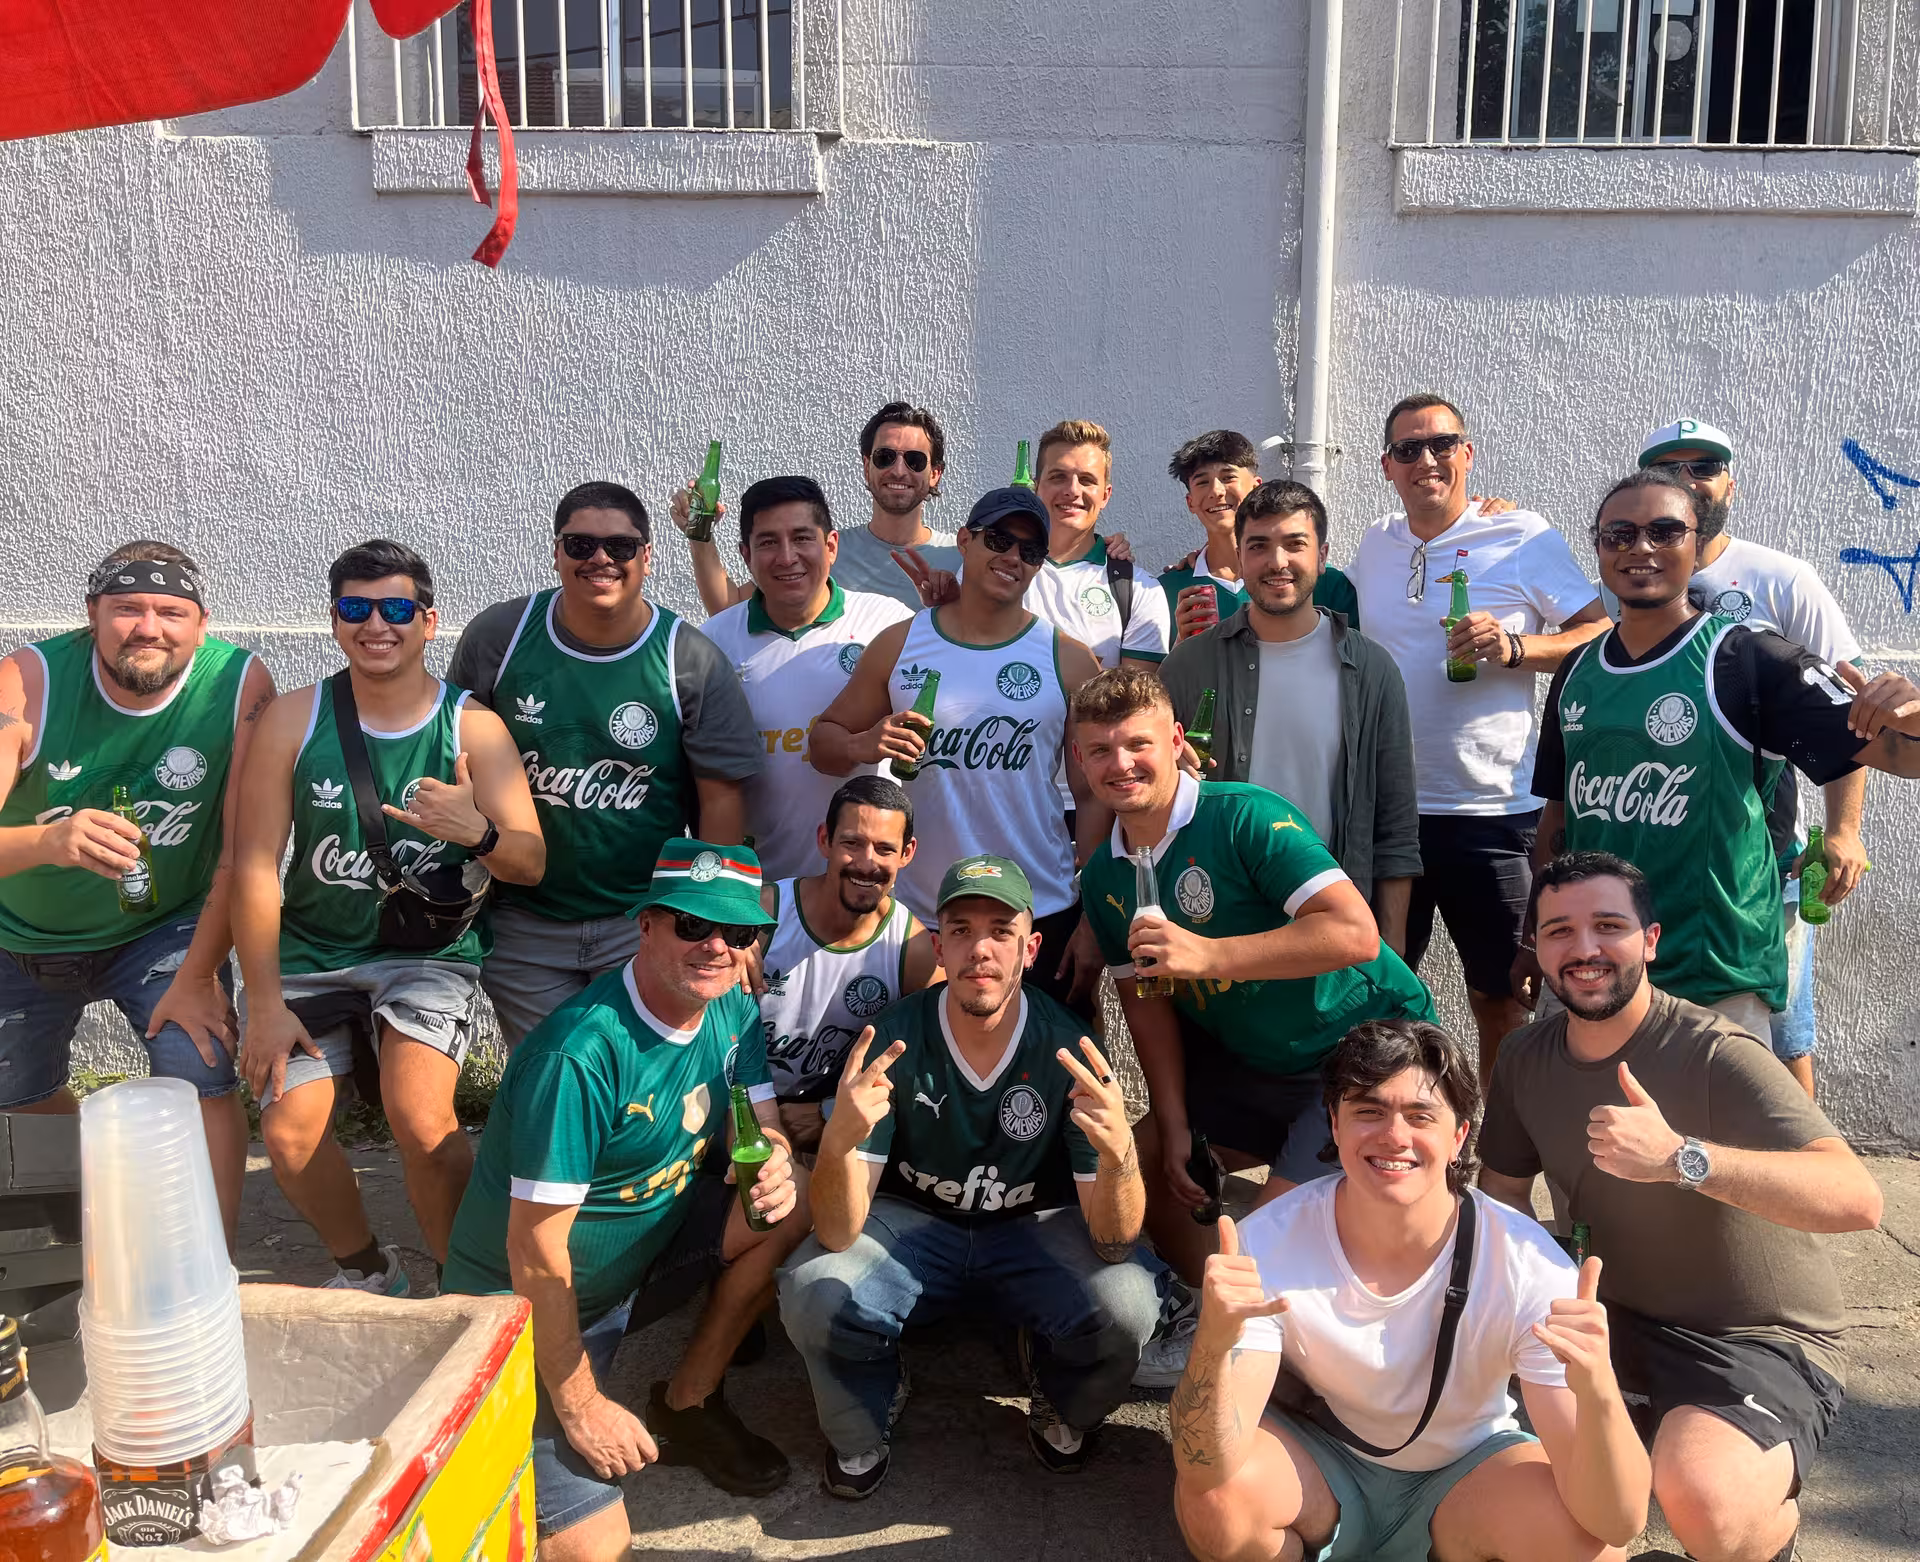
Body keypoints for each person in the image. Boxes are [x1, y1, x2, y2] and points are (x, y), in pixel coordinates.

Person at [1480, 852, 1884, 1562]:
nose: (1584, 950)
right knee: (1465, 1450)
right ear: (1536, 949)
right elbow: (1504, 1198)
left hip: (1755, 1338)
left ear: (1651, 940)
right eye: (1559, 932)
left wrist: (1681, 1159)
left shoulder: (1716, 1052)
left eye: (1609, 926)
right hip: (1609, 1320)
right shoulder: (1523, 1057)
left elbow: (1857, 1199)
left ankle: (1768, 1539)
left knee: (1705, 1502)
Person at [1170, 1018, 1650, 1562]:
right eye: (1368, 1110)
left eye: (1421, 1115)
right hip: (1322, 1469)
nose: (1394, 1136)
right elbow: (1206, 1466)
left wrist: (1599, 1387)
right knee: (1216, 1503)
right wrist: (1210, 1344)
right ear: (1334, 1123)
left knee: (1593, 1550)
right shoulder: (1270, 1239)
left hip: (1463, 1477)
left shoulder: (1526, 1263)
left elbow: (1618, 1521)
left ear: (1459, 1136)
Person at [443, 840, 806, 1549]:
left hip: (634, 1267)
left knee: (806, 1199)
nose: (717, 947)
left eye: (737, 933)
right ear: (646, 925)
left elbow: (759, 1121)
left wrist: (774, 1161)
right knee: (593, 1543)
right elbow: (537, 1254)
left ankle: (688, 1404)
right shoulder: (579, 1055)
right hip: (526, 1311)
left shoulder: (730, 1007)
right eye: (692, 926)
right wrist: (580, 1406)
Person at [777, 853, 1158, 1496]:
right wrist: (839, 1143)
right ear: (938, 945)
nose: (980, 948)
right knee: (816, 1287)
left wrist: (1121, 1156)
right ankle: (871, 1401)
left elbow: (1114, 1241)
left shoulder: (1066, 1046)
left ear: (1030, 948)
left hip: (1030, 1229)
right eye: (960, 929)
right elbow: (839, 1234)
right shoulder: (894, 1040)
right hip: (916, 1227)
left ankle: (1059, 1389)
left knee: (1126, 1302)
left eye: (1000, 931)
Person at [234, 539, 545, 1294]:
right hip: (312, 952)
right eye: (356, 608)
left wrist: (475, 831)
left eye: (397, 608)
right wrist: (265, 1002)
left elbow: (530, 861)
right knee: (289, 1133)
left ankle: (465, 1286)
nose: (378, 624)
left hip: (428, 957)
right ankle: (370, 1268)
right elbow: (252, 865)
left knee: (425, 1125)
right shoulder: (292, 720)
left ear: (430, 621)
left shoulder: (472, 726)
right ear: (335, 622)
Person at [1071, 664, 1436, 1289]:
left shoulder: (1244, 815)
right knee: (1147, 1157)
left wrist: (1208, 956)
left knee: (1266, 1240)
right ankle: (1197, 1315)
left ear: (1178, 741)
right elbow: (1146, 1005)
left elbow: (1355, 933)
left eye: (1139, 744)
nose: (1120, 764)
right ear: (1080, 759)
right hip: (1257, 1064)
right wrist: (1175, 1119)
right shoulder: (1106, 876)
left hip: (1366, 1048)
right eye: (1101, 750)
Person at [1525, 468, 1920, 1036]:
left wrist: (1912, 716)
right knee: (1589, 1127)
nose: (1642, 548)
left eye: (1665, 531)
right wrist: (1536, 933)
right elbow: (1559, 820)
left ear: (1698, 542)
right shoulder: (1577, 670)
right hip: (1596, 972)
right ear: (1599, 548)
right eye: (1620, 534)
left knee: (1711, 1131)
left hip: (1714, 979)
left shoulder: (1748, 661)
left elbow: (1900, 756)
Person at [0, 542, 273, 1244]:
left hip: (165, 926)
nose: (148, 626)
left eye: (169, 610)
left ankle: (212, 1265)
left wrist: (203, 971)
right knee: (19, 1095)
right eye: (126, 608)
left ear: (201, 623)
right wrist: (46, 842)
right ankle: (100, 1225)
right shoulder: (27, 682)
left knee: (201, 1067)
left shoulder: (237, 685)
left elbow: (246, 851)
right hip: (21, 934)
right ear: (92, 614)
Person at [1345, 393, 1610, 1078]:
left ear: (1468, 454)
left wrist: (1518, 647)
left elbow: (1600, 633)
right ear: (1387, 467)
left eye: (1442, 444)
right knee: (1380, 987)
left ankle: (1497, 1150)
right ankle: (1404, 1130)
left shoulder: (1520, 535)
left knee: (1500, 993)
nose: (1426, 460)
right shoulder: (1376, 543)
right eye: (1409, 449)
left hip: (1488, 810)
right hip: (1390, 811)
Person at [447, 481, 761, 1047]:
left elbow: (721, 801)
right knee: (551, 1073)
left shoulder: (687, 657)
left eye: (619, 547)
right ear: (556, 551)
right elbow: (454, 757)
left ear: (646, 555)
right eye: (581, 544)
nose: (600, 559)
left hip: (640, 920)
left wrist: (714, 919)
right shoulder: (501, 637)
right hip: (523, 920)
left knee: (638, 1074)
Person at [809, 485, 1108, 1018]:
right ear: (964, 542)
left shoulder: (1068, 658)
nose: (1013, 557)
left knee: (1054, 1082)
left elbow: (1091, 796)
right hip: (922, 917)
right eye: (999, 539)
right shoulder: (903, 642)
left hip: (1040, 909)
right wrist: (862, 743)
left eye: (1030, 550)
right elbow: (823, 743)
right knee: (922, 1086)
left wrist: (1094, 917)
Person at [1637, 419, 1868, 1097]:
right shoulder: (1633, 580)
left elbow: (1846, 712)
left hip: (1764, 851)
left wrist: (1844, 830)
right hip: (1659, 849)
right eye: (1671, 469)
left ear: (1729, 483)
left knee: (1779, 1034)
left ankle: (1798, 1184)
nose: (1688, 481)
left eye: (1703, 467)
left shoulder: (1782, 578)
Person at [1160, 479, 1421, 954]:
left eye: (1294, 544)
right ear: (1239, 559)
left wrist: (1392, 950)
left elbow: (1396, 826)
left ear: (1322, 556)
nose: (1277, 562)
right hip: (1215, 922)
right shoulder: (1187, 665)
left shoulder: (1372, 669)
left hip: (1333, 925)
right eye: (1258, 546)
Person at [696, 477, 913, 882]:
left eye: (801, 538)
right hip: (756, 892)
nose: (786, 556)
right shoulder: (712, 641)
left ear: (831, 545)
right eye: (767, 543)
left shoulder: (888, 622)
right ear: (745, 554)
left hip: (864, 887)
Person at [752, 775, 942, 1152]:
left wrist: (829, 1110)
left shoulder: (912, 947)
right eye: (852, 843)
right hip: (737, 1107)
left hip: (827, 1130)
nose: (867, 863)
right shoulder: (763, 914)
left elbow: (938, 1056)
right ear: (824, 839)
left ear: (908, 853)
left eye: (885, 849)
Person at [678, 403, 961, 615]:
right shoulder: (828, 551)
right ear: (866, 467)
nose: (898, 470)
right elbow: (731, 609)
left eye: (915, 460)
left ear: (935, 473)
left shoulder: (963, 559)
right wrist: (699, 534)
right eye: (885, 457)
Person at [1157, 430, 1361, 644]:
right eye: (1202, 482)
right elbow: (1150, 676)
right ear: (1190, 502)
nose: (1216, 491)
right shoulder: (1166, 590)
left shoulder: (1323, 583)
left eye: (1228, 477)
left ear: (1255, 487)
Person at [1024, 419, 1172, 671]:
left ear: (1105, 495)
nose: (1072, 490)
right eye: (1058, 476)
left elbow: (1133, 704)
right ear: (1037, 487)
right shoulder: (996, 569)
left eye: (1086, 480)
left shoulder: (1140, 589)